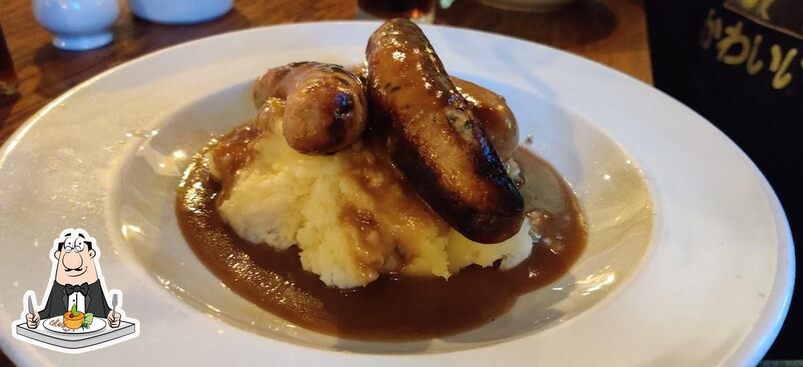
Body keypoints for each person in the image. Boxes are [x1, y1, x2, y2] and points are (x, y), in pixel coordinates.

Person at [25, 228, 121, 329]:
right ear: (58, 255)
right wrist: (35, 318)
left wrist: (113, 317)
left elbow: (105, 312)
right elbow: (47, 312)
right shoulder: (58, 289)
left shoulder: (95, 288)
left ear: (91, 254)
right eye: (68, 249)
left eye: (79, 248)